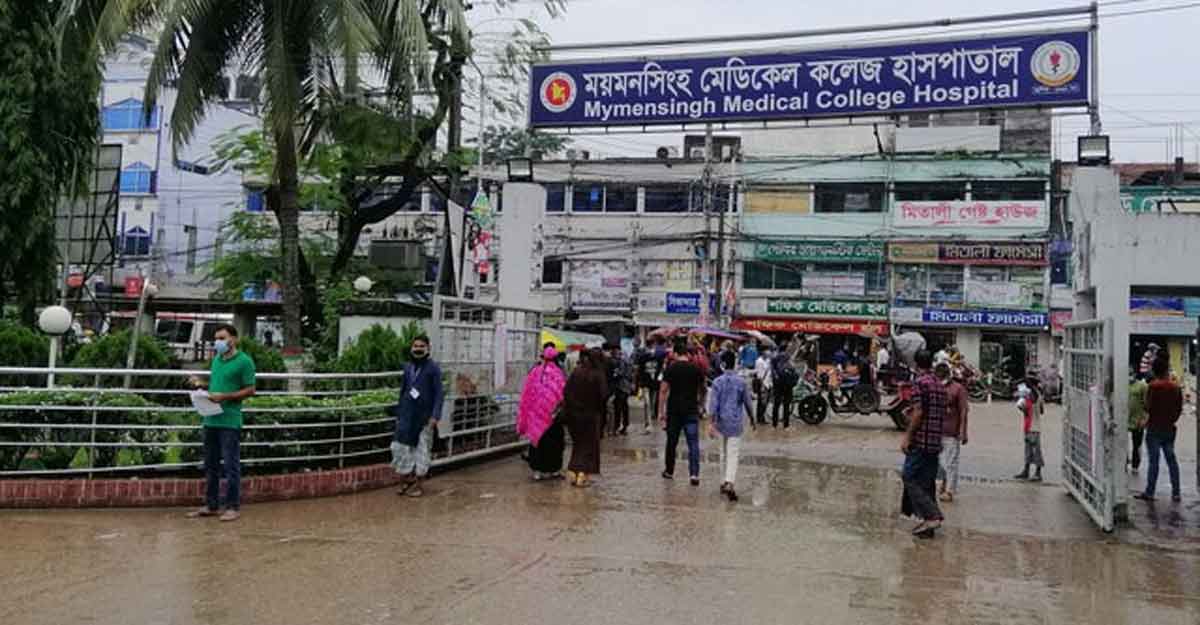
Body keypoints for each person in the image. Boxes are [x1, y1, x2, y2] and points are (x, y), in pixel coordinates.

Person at [188, 324, 256, 522]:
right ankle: (211, 505)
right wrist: (201, 385)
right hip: (210, 418)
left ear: (234, 339)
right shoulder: (217, 360)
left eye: (222, 338)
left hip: (230, 421)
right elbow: (216, 386)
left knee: (230, 465)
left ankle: (233, 507)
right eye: (216, 338)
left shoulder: (244, 362)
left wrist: (225, 397)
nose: (217, 342)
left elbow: (250, 389)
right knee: (211, 465)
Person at [392, 335, 444, 498]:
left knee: (421, 451)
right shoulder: (408, 368)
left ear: (428, 348)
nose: (418, 349)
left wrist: (435, 416)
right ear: (411, 348)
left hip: (424, 418)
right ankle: (406, 480)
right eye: (416, 346)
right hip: (406, 417)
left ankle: (419, 486)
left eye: (422, 346)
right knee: (400, 449)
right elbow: (403, 391)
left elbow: (439, 394)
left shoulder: (433, 368)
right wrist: (399, 413)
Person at [901, 349, 945, 538]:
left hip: (921, 440)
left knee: (909, 476)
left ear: (916, 364)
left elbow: (919, 411)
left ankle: (932, 516)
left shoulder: (919, 383)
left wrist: (907, 436)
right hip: (935, 440)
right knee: (927, 482)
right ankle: (928, 526)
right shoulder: (939, 384)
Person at [1135, 356, 1184, 502]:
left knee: (1154, 461)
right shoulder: (1175, 387)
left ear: (1154, 370)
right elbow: (1179, 408)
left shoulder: (1153, 386)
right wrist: (1171, 419)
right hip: (1169, 428)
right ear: (1166, 370)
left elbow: (1148, 406)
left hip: (1154, 428)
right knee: (1172, 460)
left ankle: (1150, 492)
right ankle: (1176, 492)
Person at [708, 351, 754, 502]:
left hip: (721, 422)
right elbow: (748, 402)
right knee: (733, 453)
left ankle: (723, 482)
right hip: (735, 422)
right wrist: (753, 419)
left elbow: (713, 405)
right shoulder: (741, 382)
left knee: (722, 453)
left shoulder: (717, 382)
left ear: (722, 364)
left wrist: (711, 423)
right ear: (735, 363)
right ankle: (730, 482)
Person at [659, 338, 705, 486]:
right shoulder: (696, 369)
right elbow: (703, 389)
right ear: (687, 354)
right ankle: (694, 474)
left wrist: (661, 412)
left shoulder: (671, 368)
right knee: (693, 443)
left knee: (671, 442)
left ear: (676, 353)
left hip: (674, 411)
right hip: (691, 410)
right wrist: (701, 405)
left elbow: (663, 391)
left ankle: (669, 471)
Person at [517, 346, 568, 481]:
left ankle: (537, 471)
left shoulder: (534, 372)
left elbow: (526, 395)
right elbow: (563, 394)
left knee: (537, 442)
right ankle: (554, 470)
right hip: (553, 417)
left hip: (536, 417)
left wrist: (526, 416)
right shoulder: (559, 374)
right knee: (554, 443)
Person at [563, 348, 608, 487]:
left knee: (578, 444)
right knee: (589, 446)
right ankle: (582, 475)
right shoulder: (598, 375)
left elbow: (566, 392)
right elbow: (603, 396)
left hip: (573, 415)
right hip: (591, 415)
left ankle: (573, 472)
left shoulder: (577, 372)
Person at [937, 363, 969, 503]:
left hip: (952, 432)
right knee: (940, 462)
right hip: (936, 430)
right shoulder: (936, 387)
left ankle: (950, 491)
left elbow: (963, 411)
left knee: (951, 462)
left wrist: (963, 431)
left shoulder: (958, 389)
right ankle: (945, 481)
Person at [1013, 377, 1044, 482]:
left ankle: (1037, 473)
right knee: (1028, 450)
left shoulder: (1034, 396)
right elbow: (1041, 411)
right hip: (1029, 427)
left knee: (1035, 451)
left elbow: (1027, 408)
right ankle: (1026, 471)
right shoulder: (1033, 397)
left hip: (1033, 427)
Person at [636, 338, 667, 433]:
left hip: (653, 383)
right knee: (647, 403)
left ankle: (650, 421)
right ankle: (648, 424)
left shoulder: (659, 356)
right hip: (646, 383)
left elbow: (662, 367)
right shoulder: (643, 356)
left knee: (651, 403)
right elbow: (639, 370)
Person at [607, 344, 634, 436]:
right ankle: (624, 426)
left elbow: (619, 373)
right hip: (626, 387)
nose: (612, 352)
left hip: (620, 387)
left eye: (613, 350)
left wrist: (614, 375)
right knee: (624, 407)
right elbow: (631, 373)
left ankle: (617, 427)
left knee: (618, 407)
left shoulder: (619, 361)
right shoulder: (627, 360)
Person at [771, 341, 799, 429]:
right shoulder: (789, 357)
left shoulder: (774, 358)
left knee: (776, 404)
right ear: (786, 348)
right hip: (788, 384)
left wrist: (775, 381)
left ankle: (774, 424)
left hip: (778, 384)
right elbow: (794, 370)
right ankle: (786, 425)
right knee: (786, 405)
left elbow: (772, 371)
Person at [1128, 372, 1149, 473]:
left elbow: (1147, 404)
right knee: (1121, 442)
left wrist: (1144, 418)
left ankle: (1135, 465)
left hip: (1137, 420)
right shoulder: (1120, 384)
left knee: (1136, 444)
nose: (1129, 376)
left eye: (1131, 373)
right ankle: (1123, 462)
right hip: (1123, 419)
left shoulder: (1142, 386)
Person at [753, 347, 773, 426]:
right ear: (763, 352)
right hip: (763, 384)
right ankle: (760, 418)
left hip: (768, 383)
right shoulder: (759, 361)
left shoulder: (768, 360)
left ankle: (761, 417)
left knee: (765, 402)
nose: (769, 353)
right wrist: (762, 386)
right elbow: (759, 375)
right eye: (767, 352)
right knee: (762, 402)